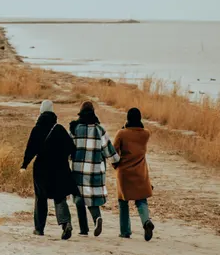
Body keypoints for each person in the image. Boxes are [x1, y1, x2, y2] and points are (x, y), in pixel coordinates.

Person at [20, 100, 76, 240]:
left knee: (41, 198)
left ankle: (39, 229)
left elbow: (30, 149)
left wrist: (24, 165)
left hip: (41, 169)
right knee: (59, 196)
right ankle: (66, 223)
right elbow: (71, 148)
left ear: (40, 111)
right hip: (59, 168)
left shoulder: (37, 129)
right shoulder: (59, 129)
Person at [70, 101, 118, 236]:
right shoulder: (99, 129)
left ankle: (83, 229)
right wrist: (116, 161)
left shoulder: (74, 129)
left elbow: (68, 149)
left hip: (78, 170)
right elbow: (109, 151)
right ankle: (97, 217)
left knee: (79, 198)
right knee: (92, 197)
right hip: (95, 170)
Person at [113, 107, 155, 240]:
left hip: (124, 172)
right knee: (141, 199)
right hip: (140, 171)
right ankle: (146, 221)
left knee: (123, 201)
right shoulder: (146, 134)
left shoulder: (121, 133)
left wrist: (115, 165)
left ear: (127, 118)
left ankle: (125, 231)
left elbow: (114, 151)